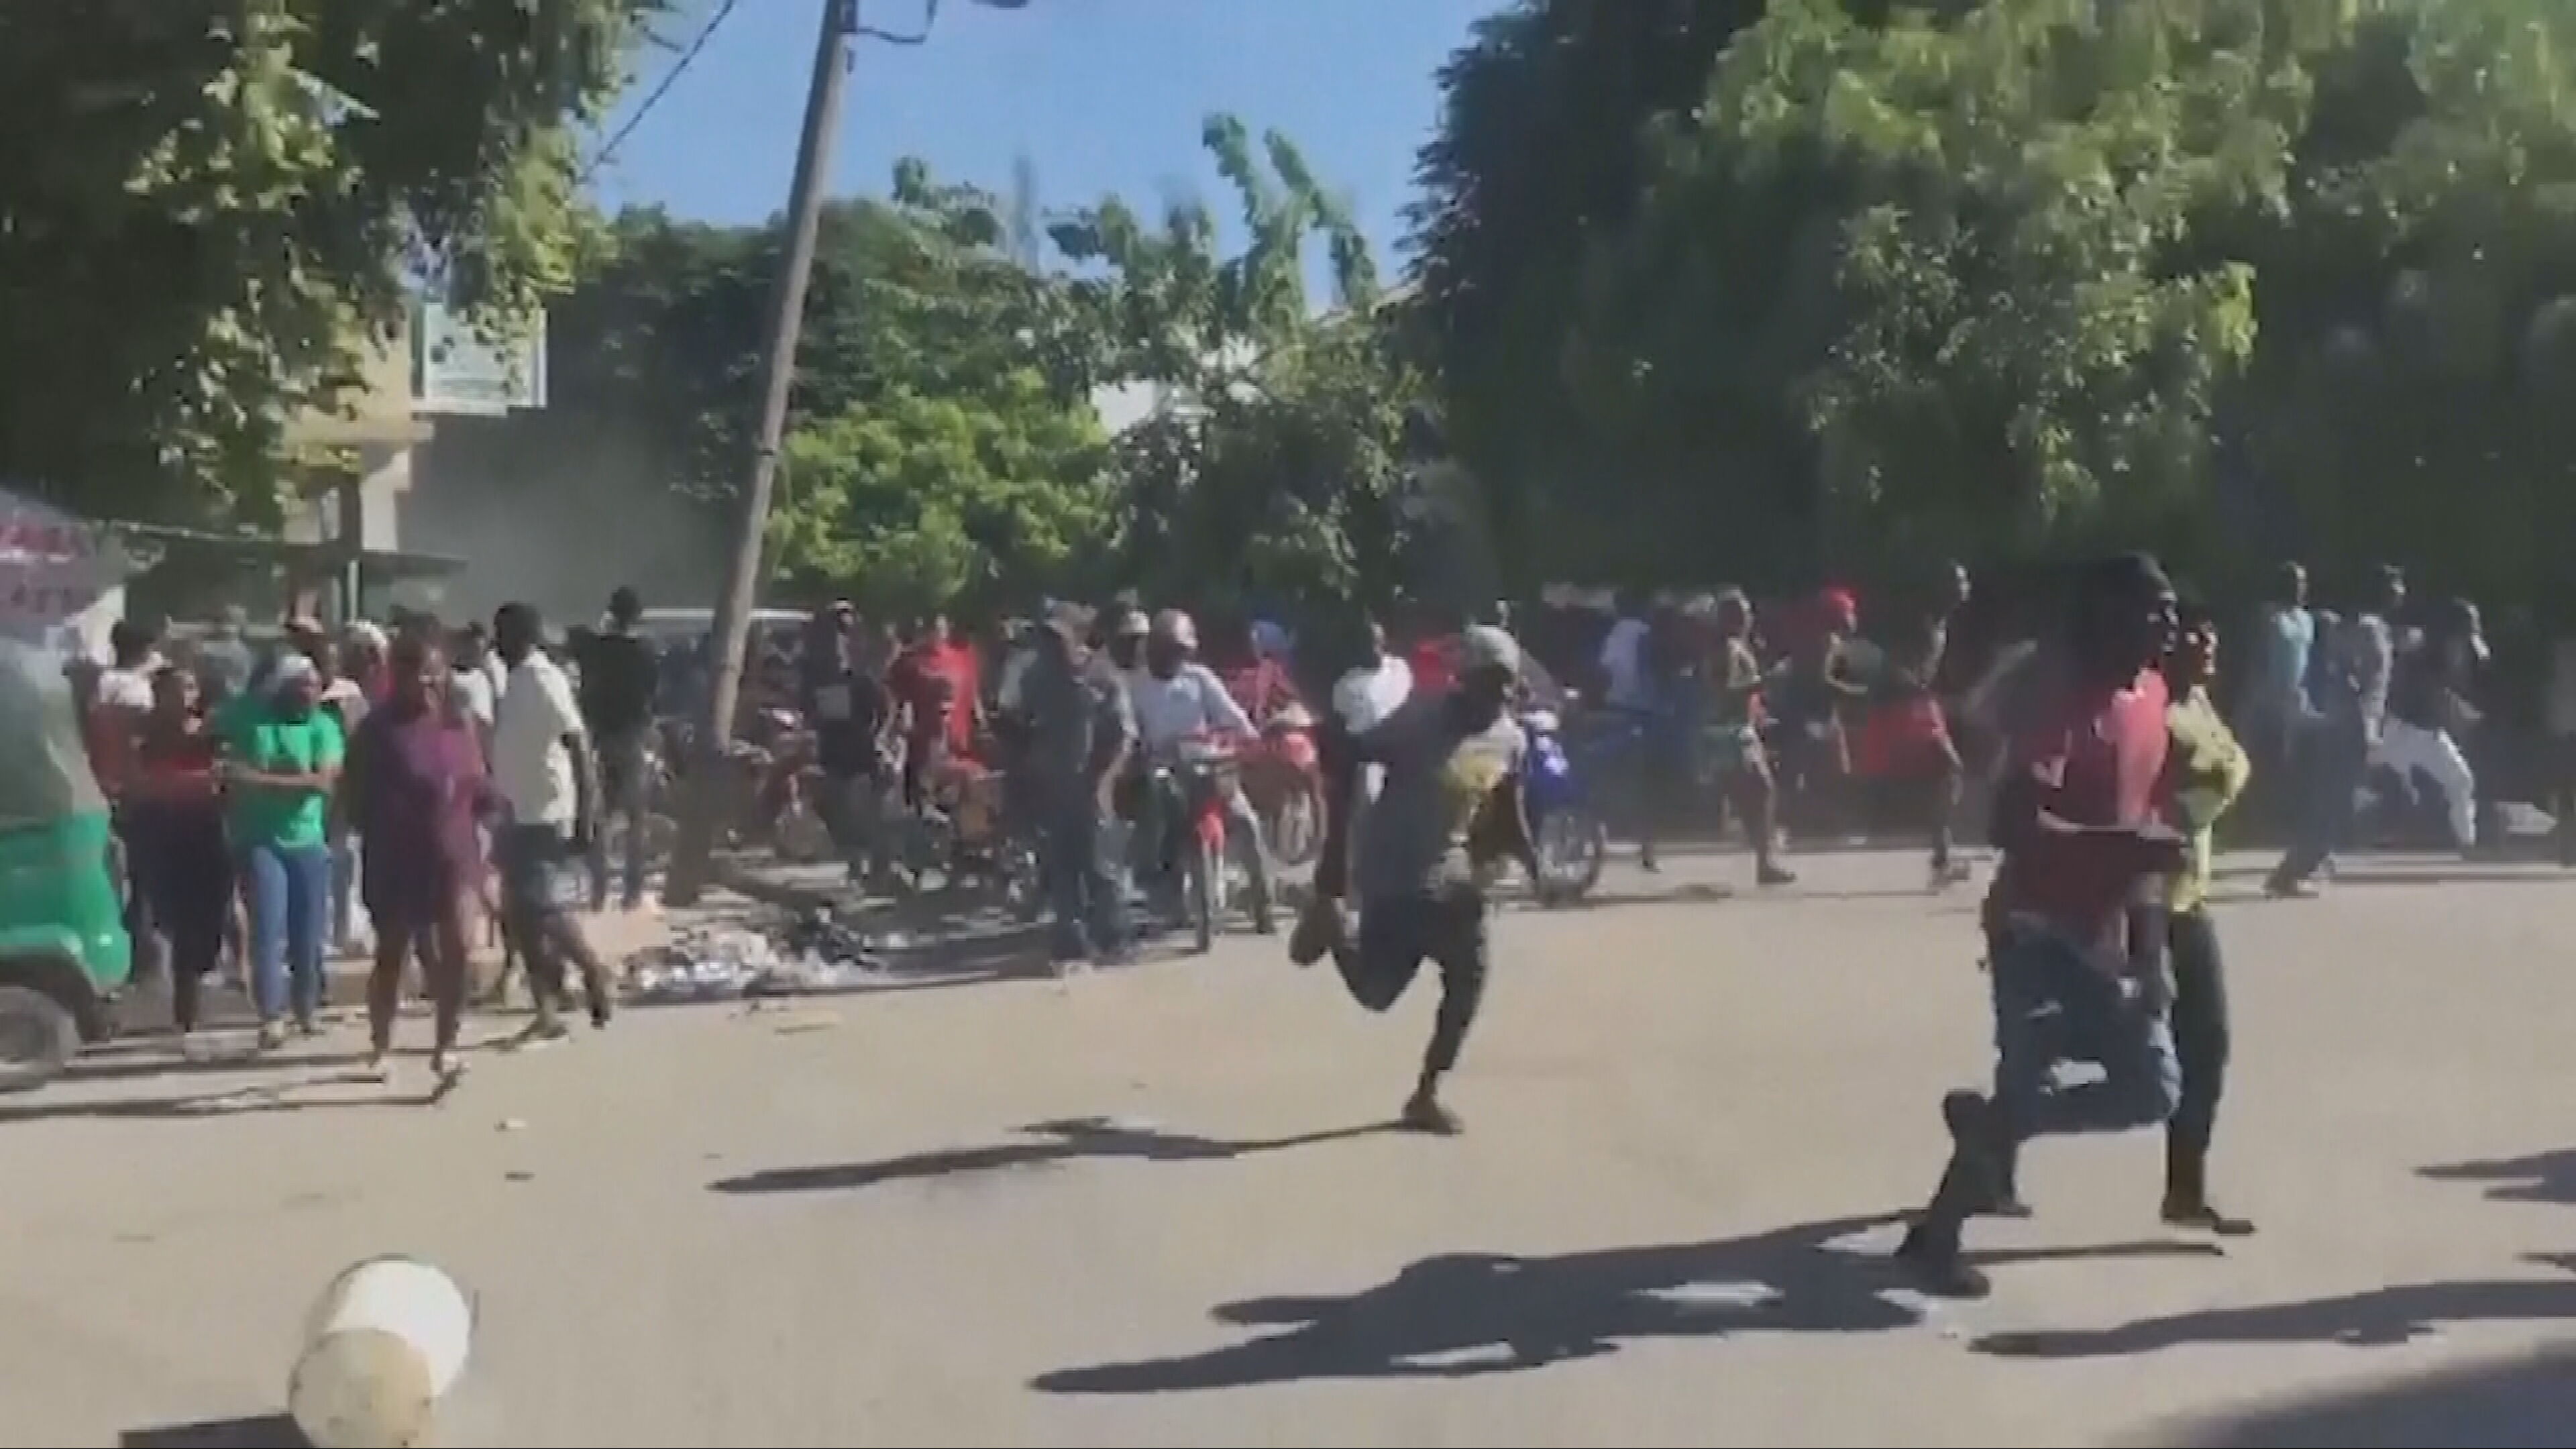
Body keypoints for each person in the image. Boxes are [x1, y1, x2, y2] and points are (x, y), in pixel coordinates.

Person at [1894, 553, 2186, 1298]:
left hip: (2107, 936)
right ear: (2106, 614)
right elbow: (2013, 826)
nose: (2169, 622)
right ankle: (1936, 1239)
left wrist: (2153, 950)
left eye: (2171, 608)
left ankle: (1993, 1126)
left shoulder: (2153, 696)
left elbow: (2152, 835)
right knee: (2026, 1085)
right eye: (2152, 608)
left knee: (2153, 1089)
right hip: (2034, 932)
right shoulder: (2062, 706)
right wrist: (2126, 846)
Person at [1293, 625, 1548, 1134]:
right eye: (1490, 680)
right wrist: (1334, 861)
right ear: (1464, 678)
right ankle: (1333, 925)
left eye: (1507, 680)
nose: (1500, 692)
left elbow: (1507, 806)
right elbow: (1354, 753)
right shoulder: (1419, 721)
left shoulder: (1509, 737)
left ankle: (1426, 1094)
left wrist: (1533, 862)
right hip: (1394, 872)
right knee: (1376, 994)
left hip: (1451, 876)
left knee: (1469, 979)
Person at [345, 633, 489, 1084]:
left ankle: (446, 1047)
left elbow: (480, 786)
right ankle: (381, 1044)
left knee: (459, 948)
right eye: (418, 673)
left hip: (456, 853)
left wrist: (493, 844)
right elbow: (354, 798)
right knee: (393, 953)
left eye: (435, 672)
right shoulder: (377, 731)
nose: (428, 682)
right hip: (397, 857)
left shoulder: (458, 723)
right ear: (399, 675)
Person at [2159, 600, 2255, 1236]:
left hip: (2189, 900)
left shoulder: (2198, 703)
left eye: (2212, 629)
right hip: (2145, 903)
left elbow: (2220, 774)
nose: (2208, 639)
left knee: (2206, 1047)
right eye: (2194, 631)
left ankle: (2185, 1192)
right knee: (2102, 1051)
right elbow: (2184, 783)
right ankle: (1991, 1144)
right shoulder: (2154, 711)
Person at [490, 602, 614, 1039]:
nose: (496, 643)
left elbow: (578, 744)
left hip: (545, 812)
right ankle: (546, 1012)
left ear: (521, 637)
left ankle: (594, 970)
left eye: (502, 634)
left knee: (541, 907)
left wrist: (587, 813)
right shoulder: (516, 679)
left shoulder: (544, 679)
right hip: (516, 810)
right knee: (522, 918)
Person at [217, 654, 343, 1047]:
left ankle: (306, 1008)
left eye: (314, 687)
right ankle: (271, 1015)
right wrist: (287, 781)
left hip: (308, 840)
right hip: (259, 839)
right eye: (301, 687)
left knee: (308, 932)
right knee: (267, 929)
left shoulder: (324, 726)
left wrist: (257, 779)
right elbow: (221, 755)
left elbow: (322, 782)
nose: (309, 695)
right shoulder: (251, 719)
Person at [1128, 608, 1275, 932]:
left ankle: (1263, 905)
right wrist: (1139, 752)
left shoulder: (1199, 679)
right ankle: (1160, 890)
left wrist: (1248, 738)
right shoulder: (1137, 686)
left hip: (1206, 763)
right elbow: (1132, 731)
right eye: (1167, 651)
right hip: (1164, 770)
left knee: (1247, 822)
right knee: (1158, 825)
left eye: (1179, 652)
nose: (1172, 658)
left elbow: (1231, 715)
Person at [2269, 565, 2403, 896]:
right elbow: (2348, 677)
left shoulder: (2373, 627)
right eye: (2394, 586)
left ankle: (2311, 860)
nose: (2400, 592)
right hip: (2350, 724)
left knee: (2336, 798)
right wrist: (2362, 725)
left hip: (2356, 721)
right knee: (2334, 800)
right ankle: (2292, 871)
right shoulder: (2362, 630)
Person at [1022, 600, 1134, 969]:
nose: (1050, 646)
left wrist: (1106, 781)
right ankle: (1070, 945)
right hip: (1054, 789)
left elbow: (1124, 736)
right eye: (1046, 638)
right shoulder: (1037, 679)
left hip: (1093, 786)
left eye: (1057, 638)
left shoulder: (1103, 678)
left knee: (1101, 868)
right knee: (1061, 868)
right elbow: (1022, 724)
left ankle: (1113, 942)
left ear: (1078, 637)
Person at [125, 665, 229, 1040]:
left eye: (189, 688)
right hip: (162, 833)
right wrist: (195, 782)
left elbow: (226, 780)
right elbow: (139, 784)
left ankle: (198, 989)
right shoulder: (145, 738)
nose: (182, 696)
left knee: (211, 916)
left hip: (207, 831)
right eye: (174, 689)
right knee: (175, 920)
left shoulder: (211, 735)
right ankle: (185, 1010)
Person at [2373, 596, 2483, 854]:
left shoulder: (2454, 653)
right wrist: (2458, 710)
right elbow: (2426, 693)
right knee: (2373, 780)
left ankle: (2467, 843)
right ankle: (2343, 834)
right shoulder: (2422, 655)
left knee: (2461, 781)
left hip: (2430, 733)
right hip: (2401, 730)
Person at [578, 586, 661, 912]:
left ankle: (599, 890)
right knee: (637, 817)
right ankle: (632, 890)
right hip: (633, 736)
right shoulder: (645, 652)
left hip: (598, 736)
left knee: (597, 815)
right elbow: (652, 693)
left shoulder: (597, 649)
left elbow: (586, 684)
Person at [1706, 590, 1796, 887]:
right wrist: (1764, 682)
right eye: (1742, 614)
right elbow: (1725, 691)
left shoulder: (1735, 646)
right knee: (1761, 791)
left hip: (1737, 729)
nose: (1748, 619)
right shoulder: (1728, 649)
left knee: (1753, 795)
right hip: (1731, 733)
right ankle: (1765, 863)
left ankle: (1764, 860)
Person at [803, 602, 891, 885]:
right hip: (833, 750)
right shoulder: (815, 674)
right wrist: (816, 720)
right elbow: (808, 709)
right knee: (841, 810)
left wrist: (880, 738)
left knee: (868, 810)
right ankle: (856, 864)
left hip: (863, 750)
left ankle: (879, 865)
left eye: (846, 630)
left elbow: (886, 708)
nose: (839, 638)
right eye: (835, 629)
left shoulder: (863, 673)